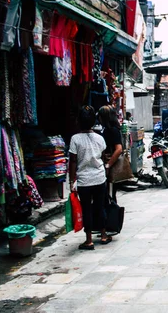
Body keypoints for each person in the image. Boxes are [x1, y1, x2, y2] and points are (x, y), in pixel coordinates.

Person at [68, 106, 111, 250]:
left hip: (84, 180)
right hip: (99, 178)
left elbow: (73, 161)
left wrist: (72, 179)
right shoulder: (100, 138)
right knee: (100, 206)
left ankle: (89, 240)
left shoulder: (75, 139)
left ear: (78, 121)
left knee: (86, 208)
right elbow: (103, 156)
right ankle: (104, 235)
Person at [97, 105, 123, 201]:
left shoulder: (113, 130)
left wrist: (108, 165)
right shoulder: (109, 129)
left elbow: (119, 149)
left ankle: (113, 215)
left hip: (110, 166)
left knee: (110, 196)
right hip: (108, 165)